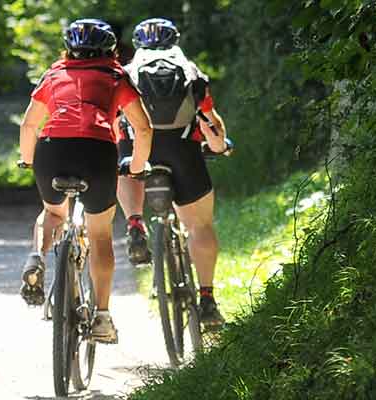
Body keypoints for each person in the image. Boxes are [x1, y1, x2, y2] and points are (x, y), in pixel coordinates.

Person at [17, 18, 154, 344]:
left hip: (53, 150)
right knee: (100, 232)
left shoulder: (54, 74)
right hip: (97, 151)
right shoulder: (116, 75)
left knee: (52, 213)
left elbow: (28, 126)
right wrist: (136, 168)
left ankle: (36, 256)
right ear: (111, 50)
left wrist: (30, 160)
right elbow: (144, 128)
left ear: (69, 49)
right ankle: (102, 318)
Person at [115, 17, 232, 332]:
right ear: (174, 41)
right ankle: (207, 299)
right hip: (182, 152)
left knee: (123, 161)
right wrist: (220, 146)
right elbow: (210, 122)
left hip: (140, 150)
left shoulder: (125, 74)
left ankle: (135, 223)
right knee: (201, 226)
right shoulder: (190, 72)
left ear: (139, 44)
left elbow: (116, 124)